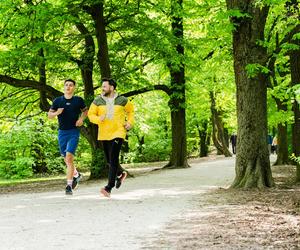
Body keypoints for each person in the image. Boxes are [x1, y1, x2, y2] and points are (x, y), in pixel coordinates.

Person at [88, 78, 134, 198]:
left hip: (118, 132)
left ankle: (109, 187)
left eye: (104, 86)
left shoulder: (122, 100)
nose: (102, 89)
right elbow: (90, 115)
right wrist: (98, 119)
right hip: (104, 133)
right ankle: (120, 174)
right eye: (102, 86)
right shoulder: (97, 100)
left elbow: (131, 111)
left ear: (112, 88)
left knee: (113, 158)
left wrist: (129, 122)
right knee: (109, 160)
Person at [48, 79, 88, 195]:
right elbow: (49, 115)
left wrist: (81, 119)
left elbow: (85, 111)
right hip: (62, 133)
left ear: (74, 87)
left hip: (73, 132)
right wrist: (57, 113)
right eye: (66, 85)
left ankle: (69, 186)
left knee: (69, 157)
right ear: (64, 87)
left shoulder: (78, 100)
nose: (68, 87)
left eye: (71, 85)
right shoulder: (57, 101)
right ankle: (76, 174)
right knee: (66, 159)